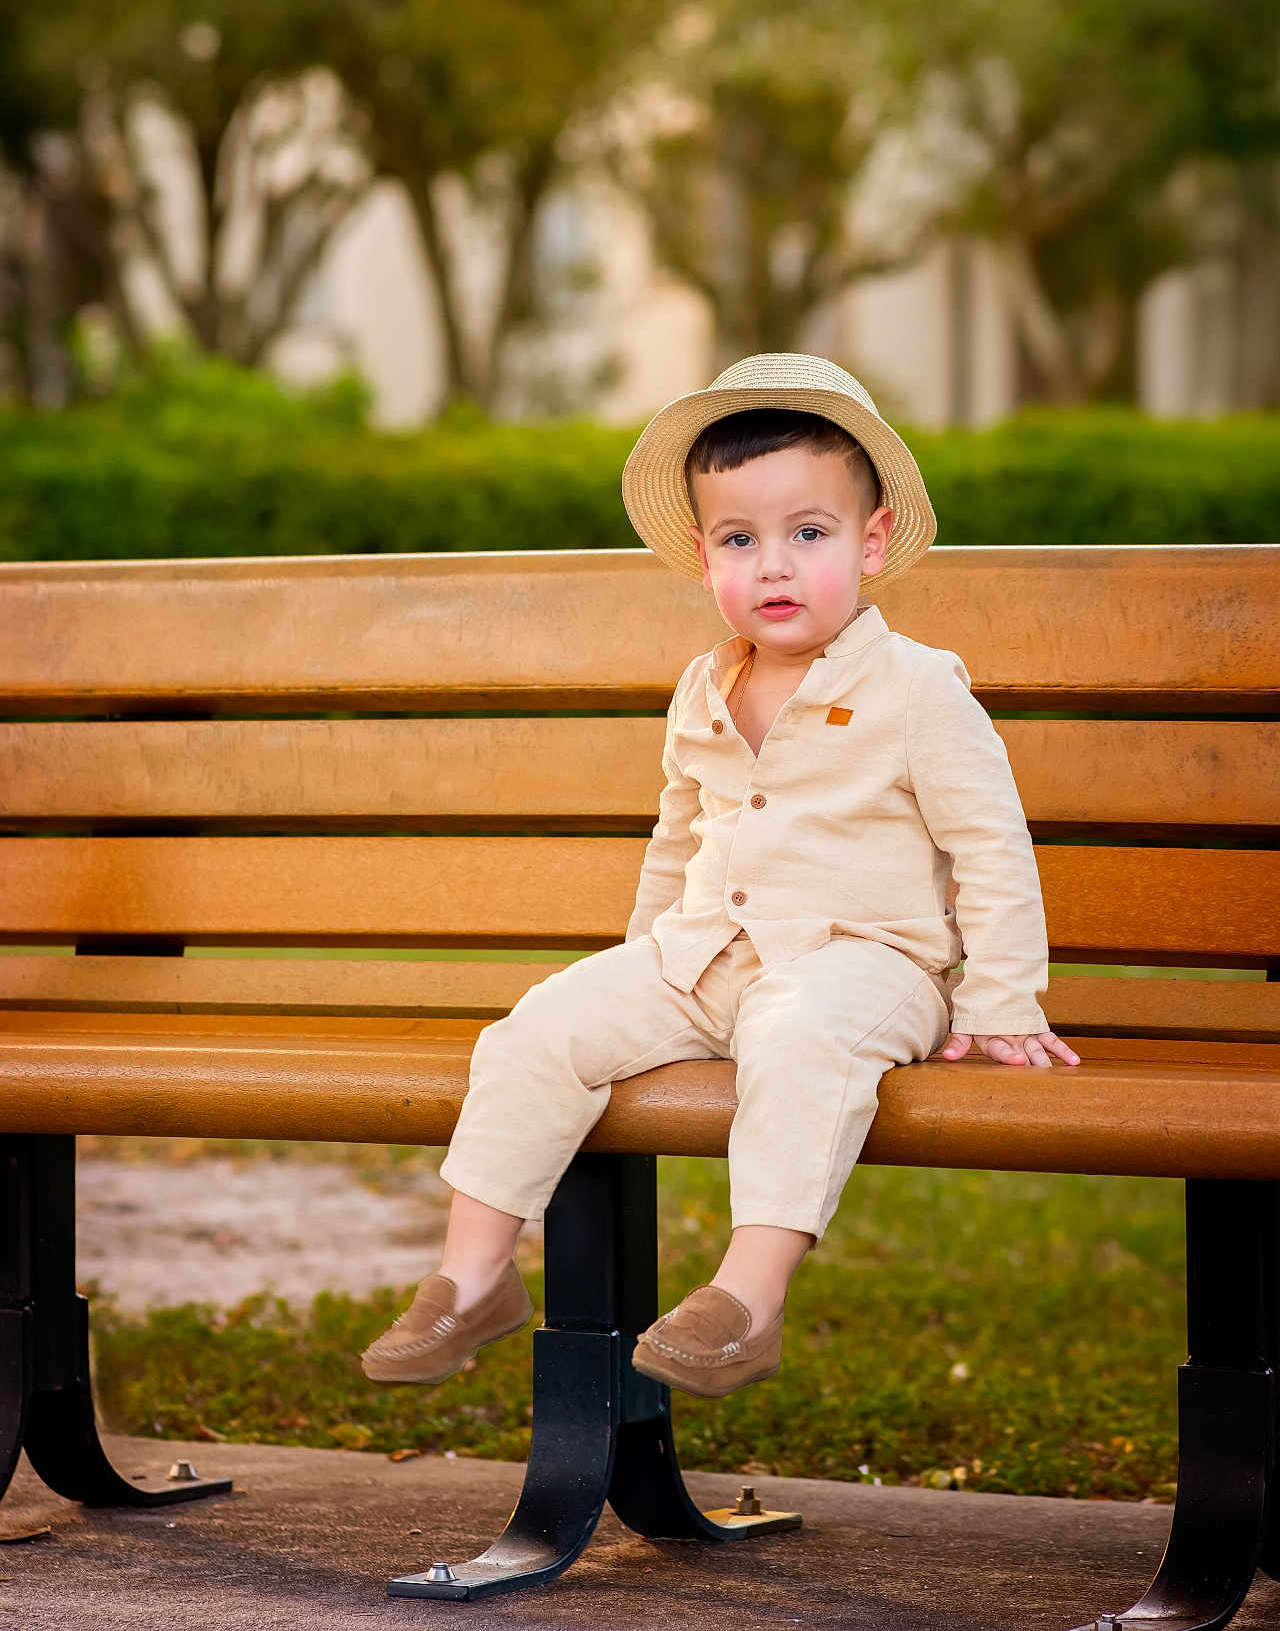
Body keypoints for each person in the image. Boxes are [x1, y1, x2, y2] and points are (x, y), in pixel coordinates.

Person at [361, 353, 1081, 1397]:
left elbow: (990, 846)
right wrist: (638, 961)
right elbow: (677, 835)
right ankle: (472, 1278)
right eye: (742, 541)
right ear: (705, 561)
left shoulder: (914, 686)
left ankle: (749, 1296)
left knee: (798, 1040)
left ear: (870, 542)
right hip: (703, 956)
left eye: (807, 533)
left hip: (864, 968)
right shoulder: (704, 685)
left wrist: (1002, 995)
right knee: (537, 1027)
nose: (774, 566)